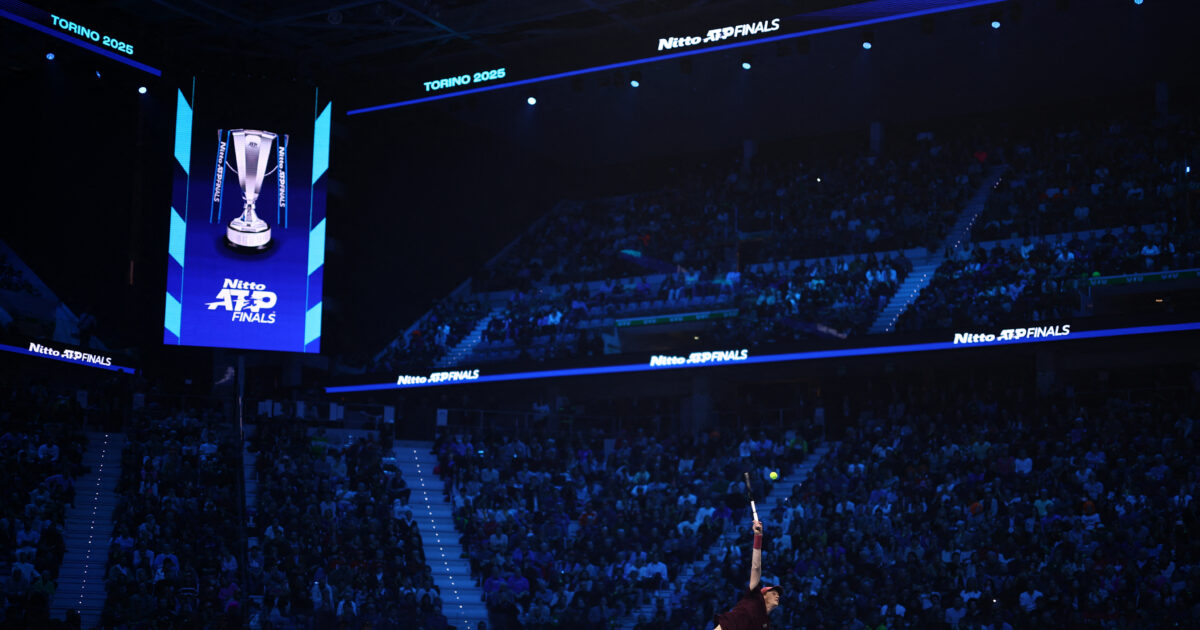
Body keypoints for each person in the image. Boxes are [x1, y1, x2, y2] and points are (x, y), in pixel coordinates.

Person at [713, 520, 782, 630]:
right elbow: (756, 567)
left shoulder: (764, 622)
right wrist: (758, 536)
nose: (777, 595)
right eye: (773, 593)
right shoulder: (752, 598)